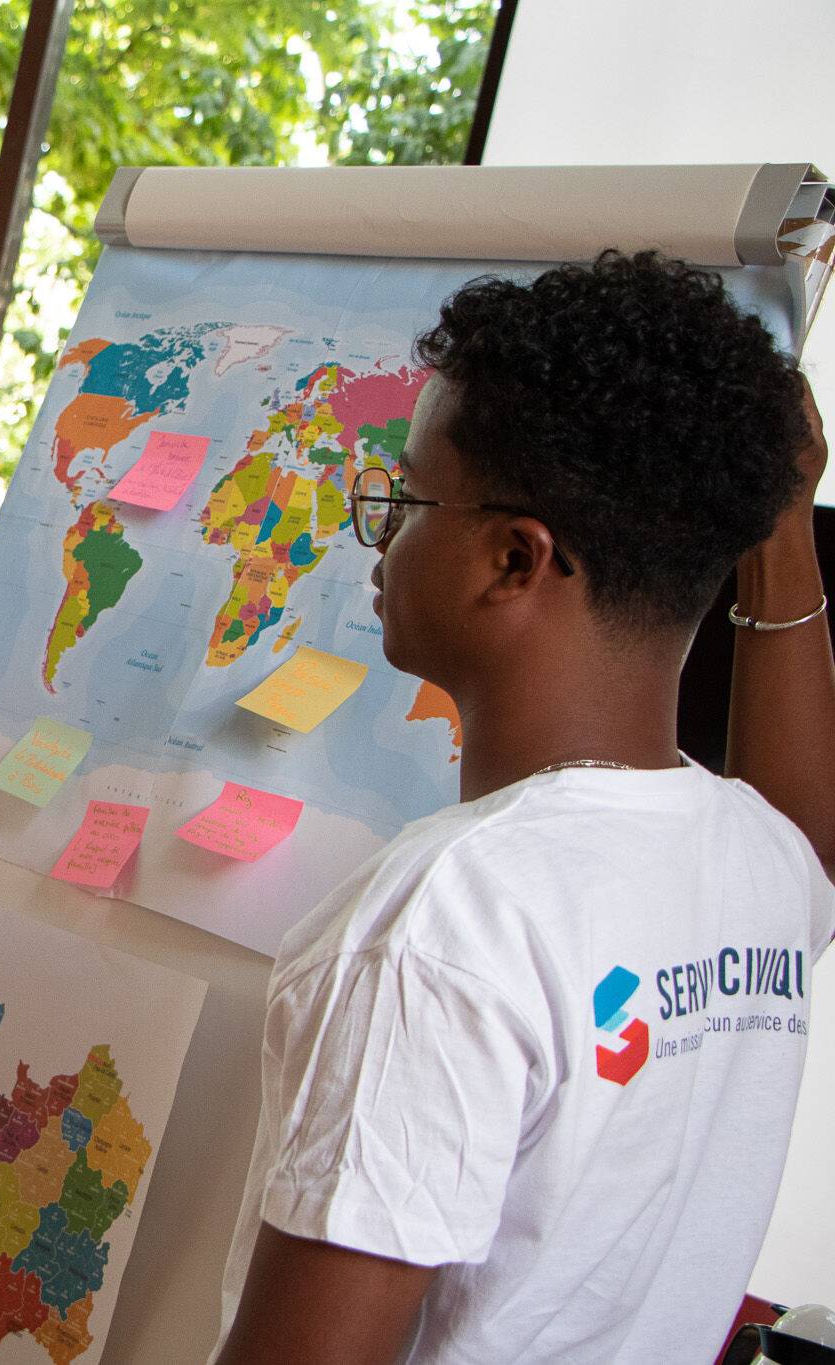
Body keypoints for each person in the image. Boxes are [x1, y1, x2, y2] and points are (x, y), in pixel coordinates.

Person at [213, 251, 834, 1363]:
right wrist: (777, 522)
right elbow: (804, 839)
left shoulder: (445, 924)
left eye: (405, 497)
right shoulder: (760, 863)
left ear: (511, 559)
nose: (384, 531)